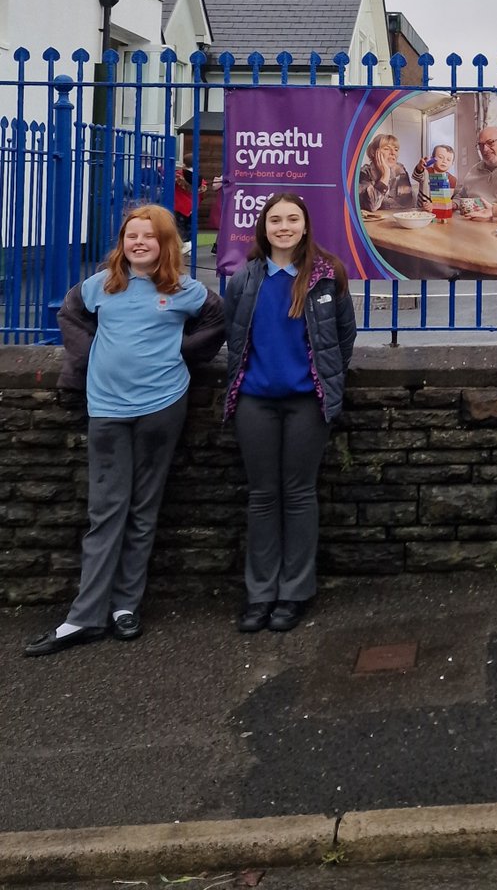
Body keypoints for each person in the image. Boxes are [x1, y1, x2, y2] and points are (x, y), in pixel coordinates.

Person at [23, 205, 224, 657]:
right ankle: (84, 616)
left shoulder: (186, 291)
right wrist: (90, 354)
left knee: (143, 508)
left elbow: (217, 322)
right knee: (105, 511)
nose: (138, 243)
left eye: (149, 236)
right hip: (108, 410)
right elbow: (70, 316)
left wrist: (181, 352)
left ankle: (125, 607)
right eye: (131, 235)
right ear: (122, 242)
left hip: (163, 408)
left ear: (165, 243)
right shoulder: (99, 286)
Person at [224, 192, 356, 634]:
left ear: (304, 226)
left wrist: (327, 380)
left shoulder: (326, 274)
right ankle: (260, 593)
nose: (283, 226)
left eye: (292, 219)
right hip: (255, 403)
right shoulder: (245, 279)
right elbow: (234, 335)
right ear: (264, 227)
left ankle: (294, 593)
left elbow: (344, 336)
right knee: (262, 497)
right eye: (275, 219)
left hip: (307, 403)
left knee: (299, 495)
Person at [452, 125, 497, 205]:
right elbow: (461, 195)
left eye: (490, 143)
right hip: (466, 215)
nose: (485, 149)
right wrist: (454, 203)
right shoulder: (474, 169)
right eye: (481, 145)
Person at [358, 133, 415, 212]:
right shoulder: (363, 173)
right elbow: (372, 206)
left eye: (396, 149)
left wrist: (381, 202)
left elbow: (406, 204)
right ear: (373, 152)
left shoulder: (400, 170)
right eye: (386, 149)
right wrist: (385, 175)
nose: (393, 153)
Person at [414, 143, 458, 209]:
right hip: (421, 211)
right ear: (432, 159)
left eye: (448, 159)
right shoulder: (426, 172)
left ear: (452, 164)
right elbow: (417, 176)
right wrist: (420, 167)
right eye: (440, 157)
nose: (444, 161)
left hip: (440, 212)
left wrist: (434, 206)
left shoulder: (452, 180)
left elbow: (447, 200)